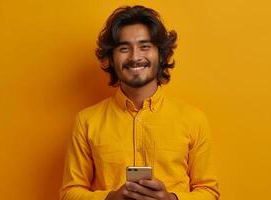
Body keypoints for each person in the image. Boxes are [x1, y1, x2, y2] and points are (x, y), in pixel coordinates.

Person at [60, 5, 220, 200]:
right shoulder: (86, 122)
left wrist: (171, 199)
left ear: (161, 54)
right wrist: (111, 198)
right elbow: (69, 193)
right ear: (111, 58)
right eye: (124, 48)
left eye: (145, 46)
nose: (135, 57)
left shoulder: (194, 120)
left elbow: (209, 193)